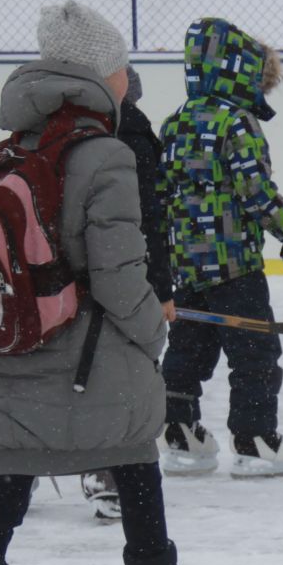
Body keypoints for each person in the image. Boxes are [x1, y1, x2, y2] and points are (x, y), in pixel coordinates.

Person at [0, 0, 231, 565]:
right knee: (135, 462)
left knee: (7, 486)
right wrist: (153, 325)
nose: (130, 77)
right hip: (90, 352)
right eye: (124, 65)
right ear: (103, 74)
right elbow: (118, 269)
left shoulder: (16, 146)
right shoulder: (105, 153)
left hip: (16, 349)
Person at [156, 17, 283, 479]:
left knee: (187, 351)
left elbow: (160, 197)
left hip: (186, 268)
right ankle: (255, 440)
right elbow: (256, 192)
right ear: (239, 72)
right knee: (254, 353)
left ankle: (180, 435)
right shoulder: (236, 124)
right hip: (235, 267)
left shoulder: (175, 122)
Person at [82, 65, 174, 521]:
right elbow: (150, 221)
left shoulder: (70, 133)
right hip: (125, 277)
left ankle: (85, 465)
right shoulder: (133, 136)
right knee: (127, 372)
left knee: (87, 370)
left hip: (76, 278)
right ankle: (115, 476)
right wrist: (161, 288)